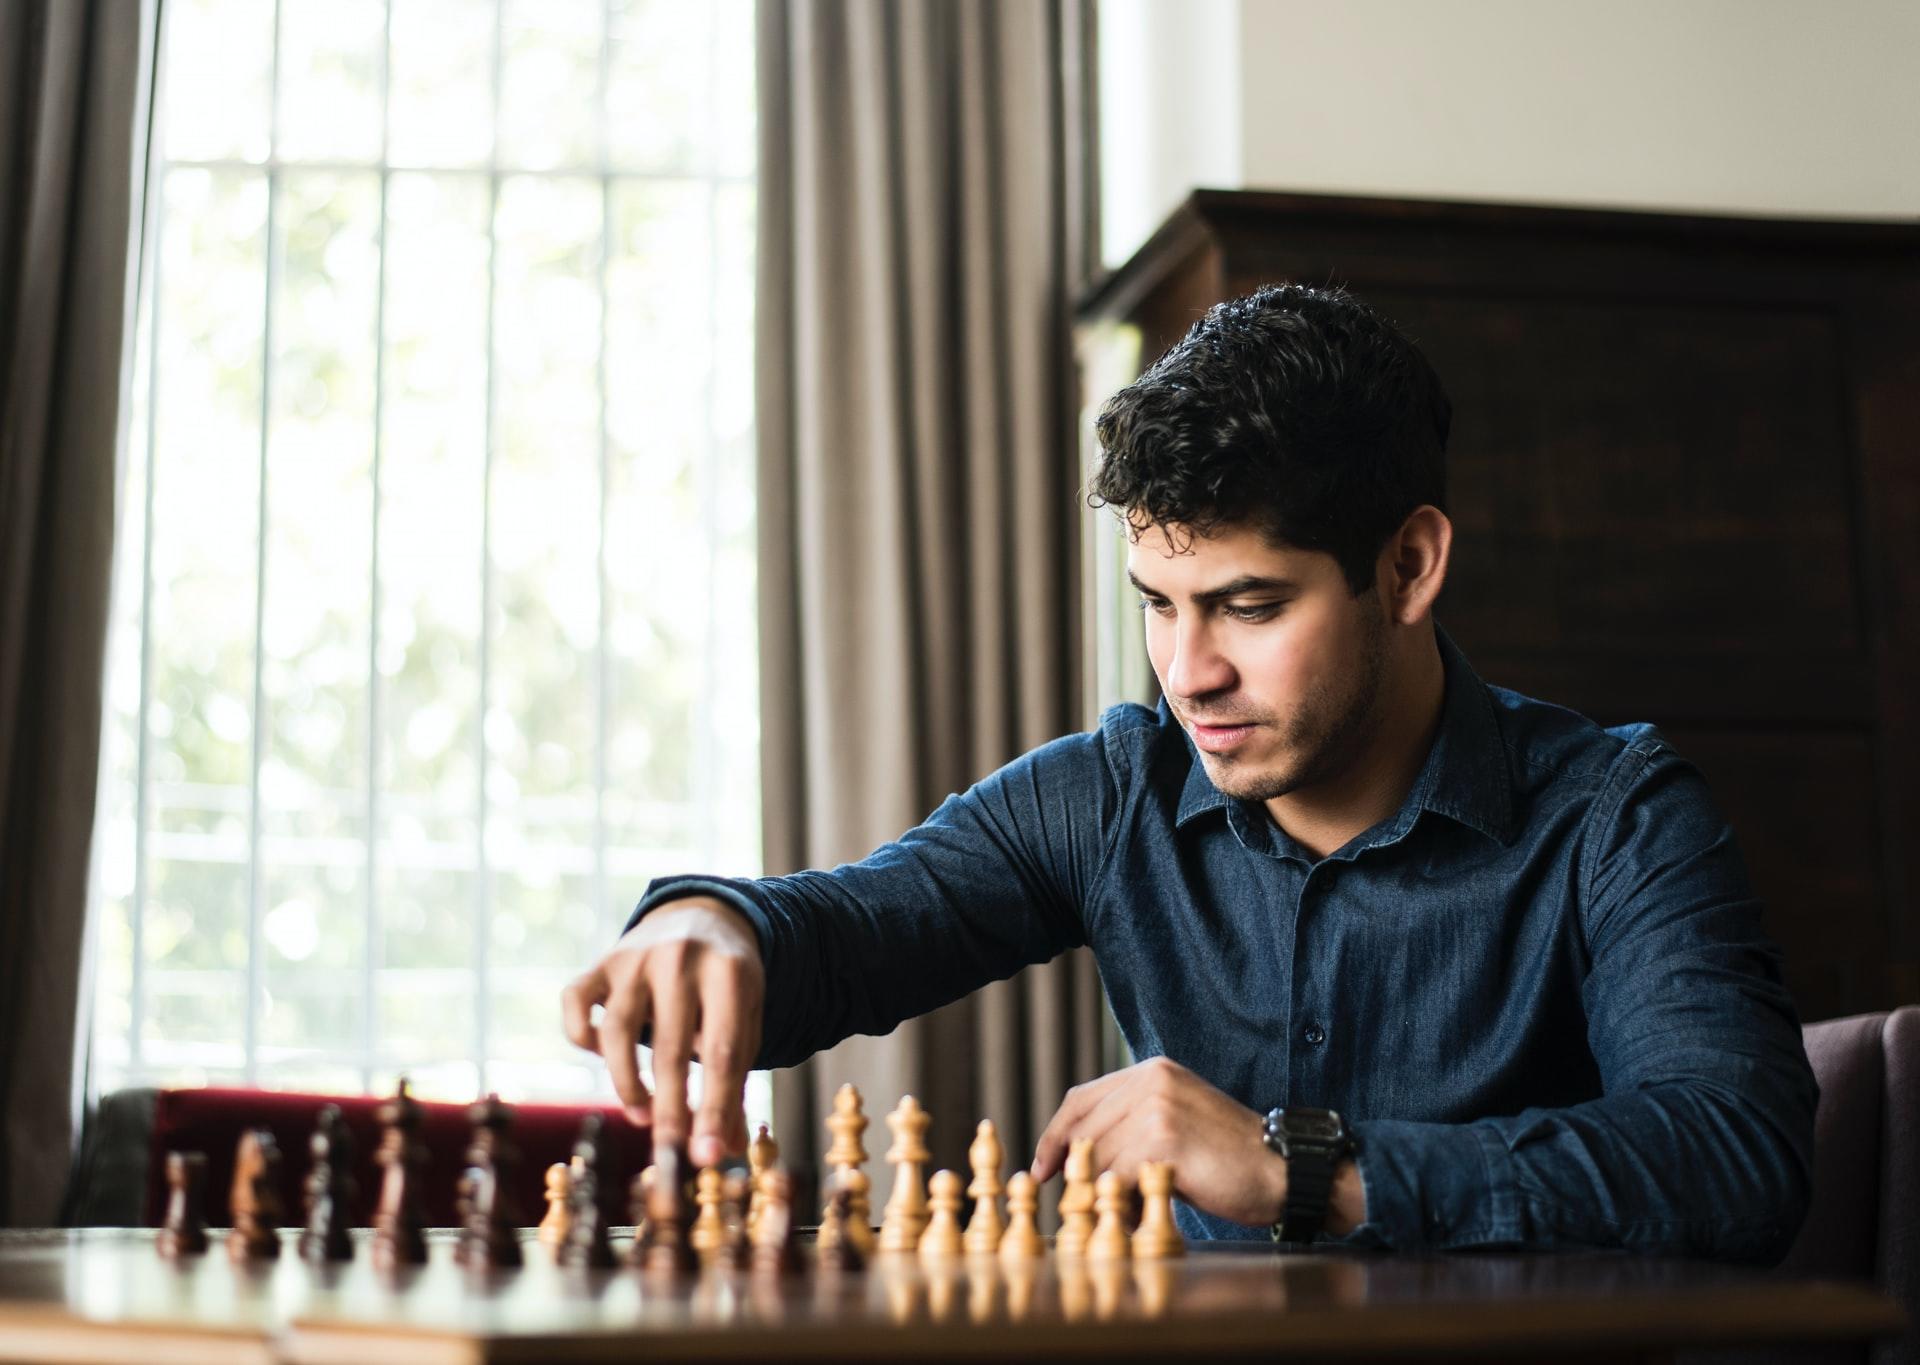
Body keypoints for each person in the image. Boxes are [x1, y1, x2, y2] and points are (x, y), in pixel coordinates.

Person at [561, 284, 1816, 1260]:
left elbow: (1738, 1156)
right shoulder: (1118, 792)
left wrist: (1307, 1169)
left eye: (1249, 606)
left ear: (1409, 568)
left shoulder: (1617, 819)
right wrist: (715, 922)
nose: (1188, 671)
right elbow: (856, 926)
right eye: (1159, 605)